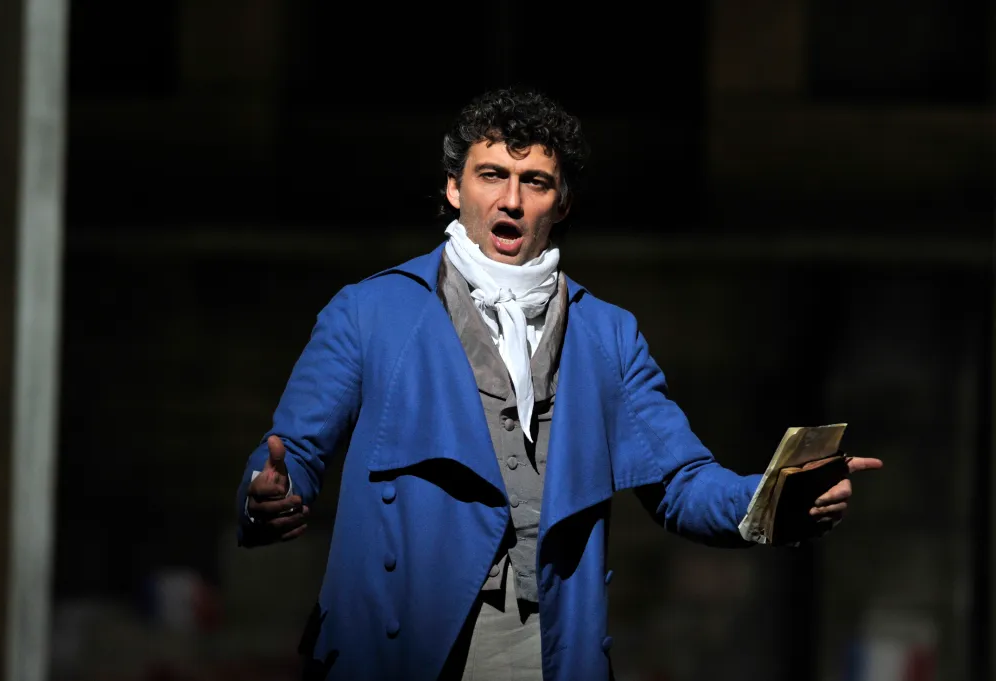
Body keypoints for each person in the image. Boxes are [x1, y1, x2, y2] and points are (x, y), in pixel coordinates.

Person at [235, 89, 882, 681]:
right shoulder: (370, 312)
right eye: (492, 175)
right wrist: (268, 494)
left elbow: (682, 480)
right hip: (397, 647)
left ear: (561, 201)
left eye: (534, 181)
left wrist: (774, 497)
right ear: (455, 189)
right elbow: (291, 449)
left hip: (544, 649)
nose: (511, 199)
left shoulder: (607, 334)